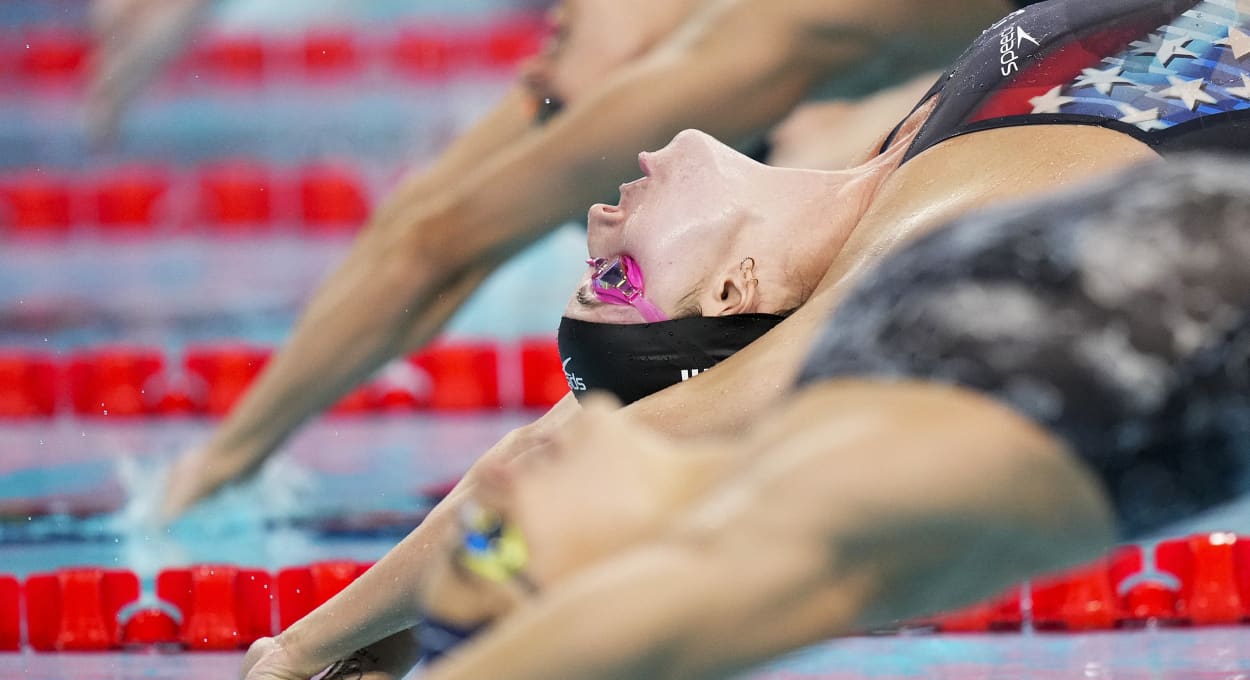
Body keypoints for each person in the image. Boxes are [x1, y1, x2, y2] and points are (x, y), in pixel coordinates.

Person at [194, 0, 1250, 680]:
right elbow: (565, 458)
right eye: (616, 276)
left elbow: (600, 424)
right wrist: (302, 650)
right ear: (736, 289)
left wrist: (350, 643)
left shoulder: (900, 161)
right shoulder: (927, 238)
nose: (598, 224)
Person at [153, 0, 1019, 517]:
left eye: (552, 86)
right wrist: (224, 464)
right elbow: (431, 239)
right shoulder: (753, 45)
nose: (536, 67)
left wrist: (225, 461)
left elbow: (433, 233)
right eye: (559, 105)